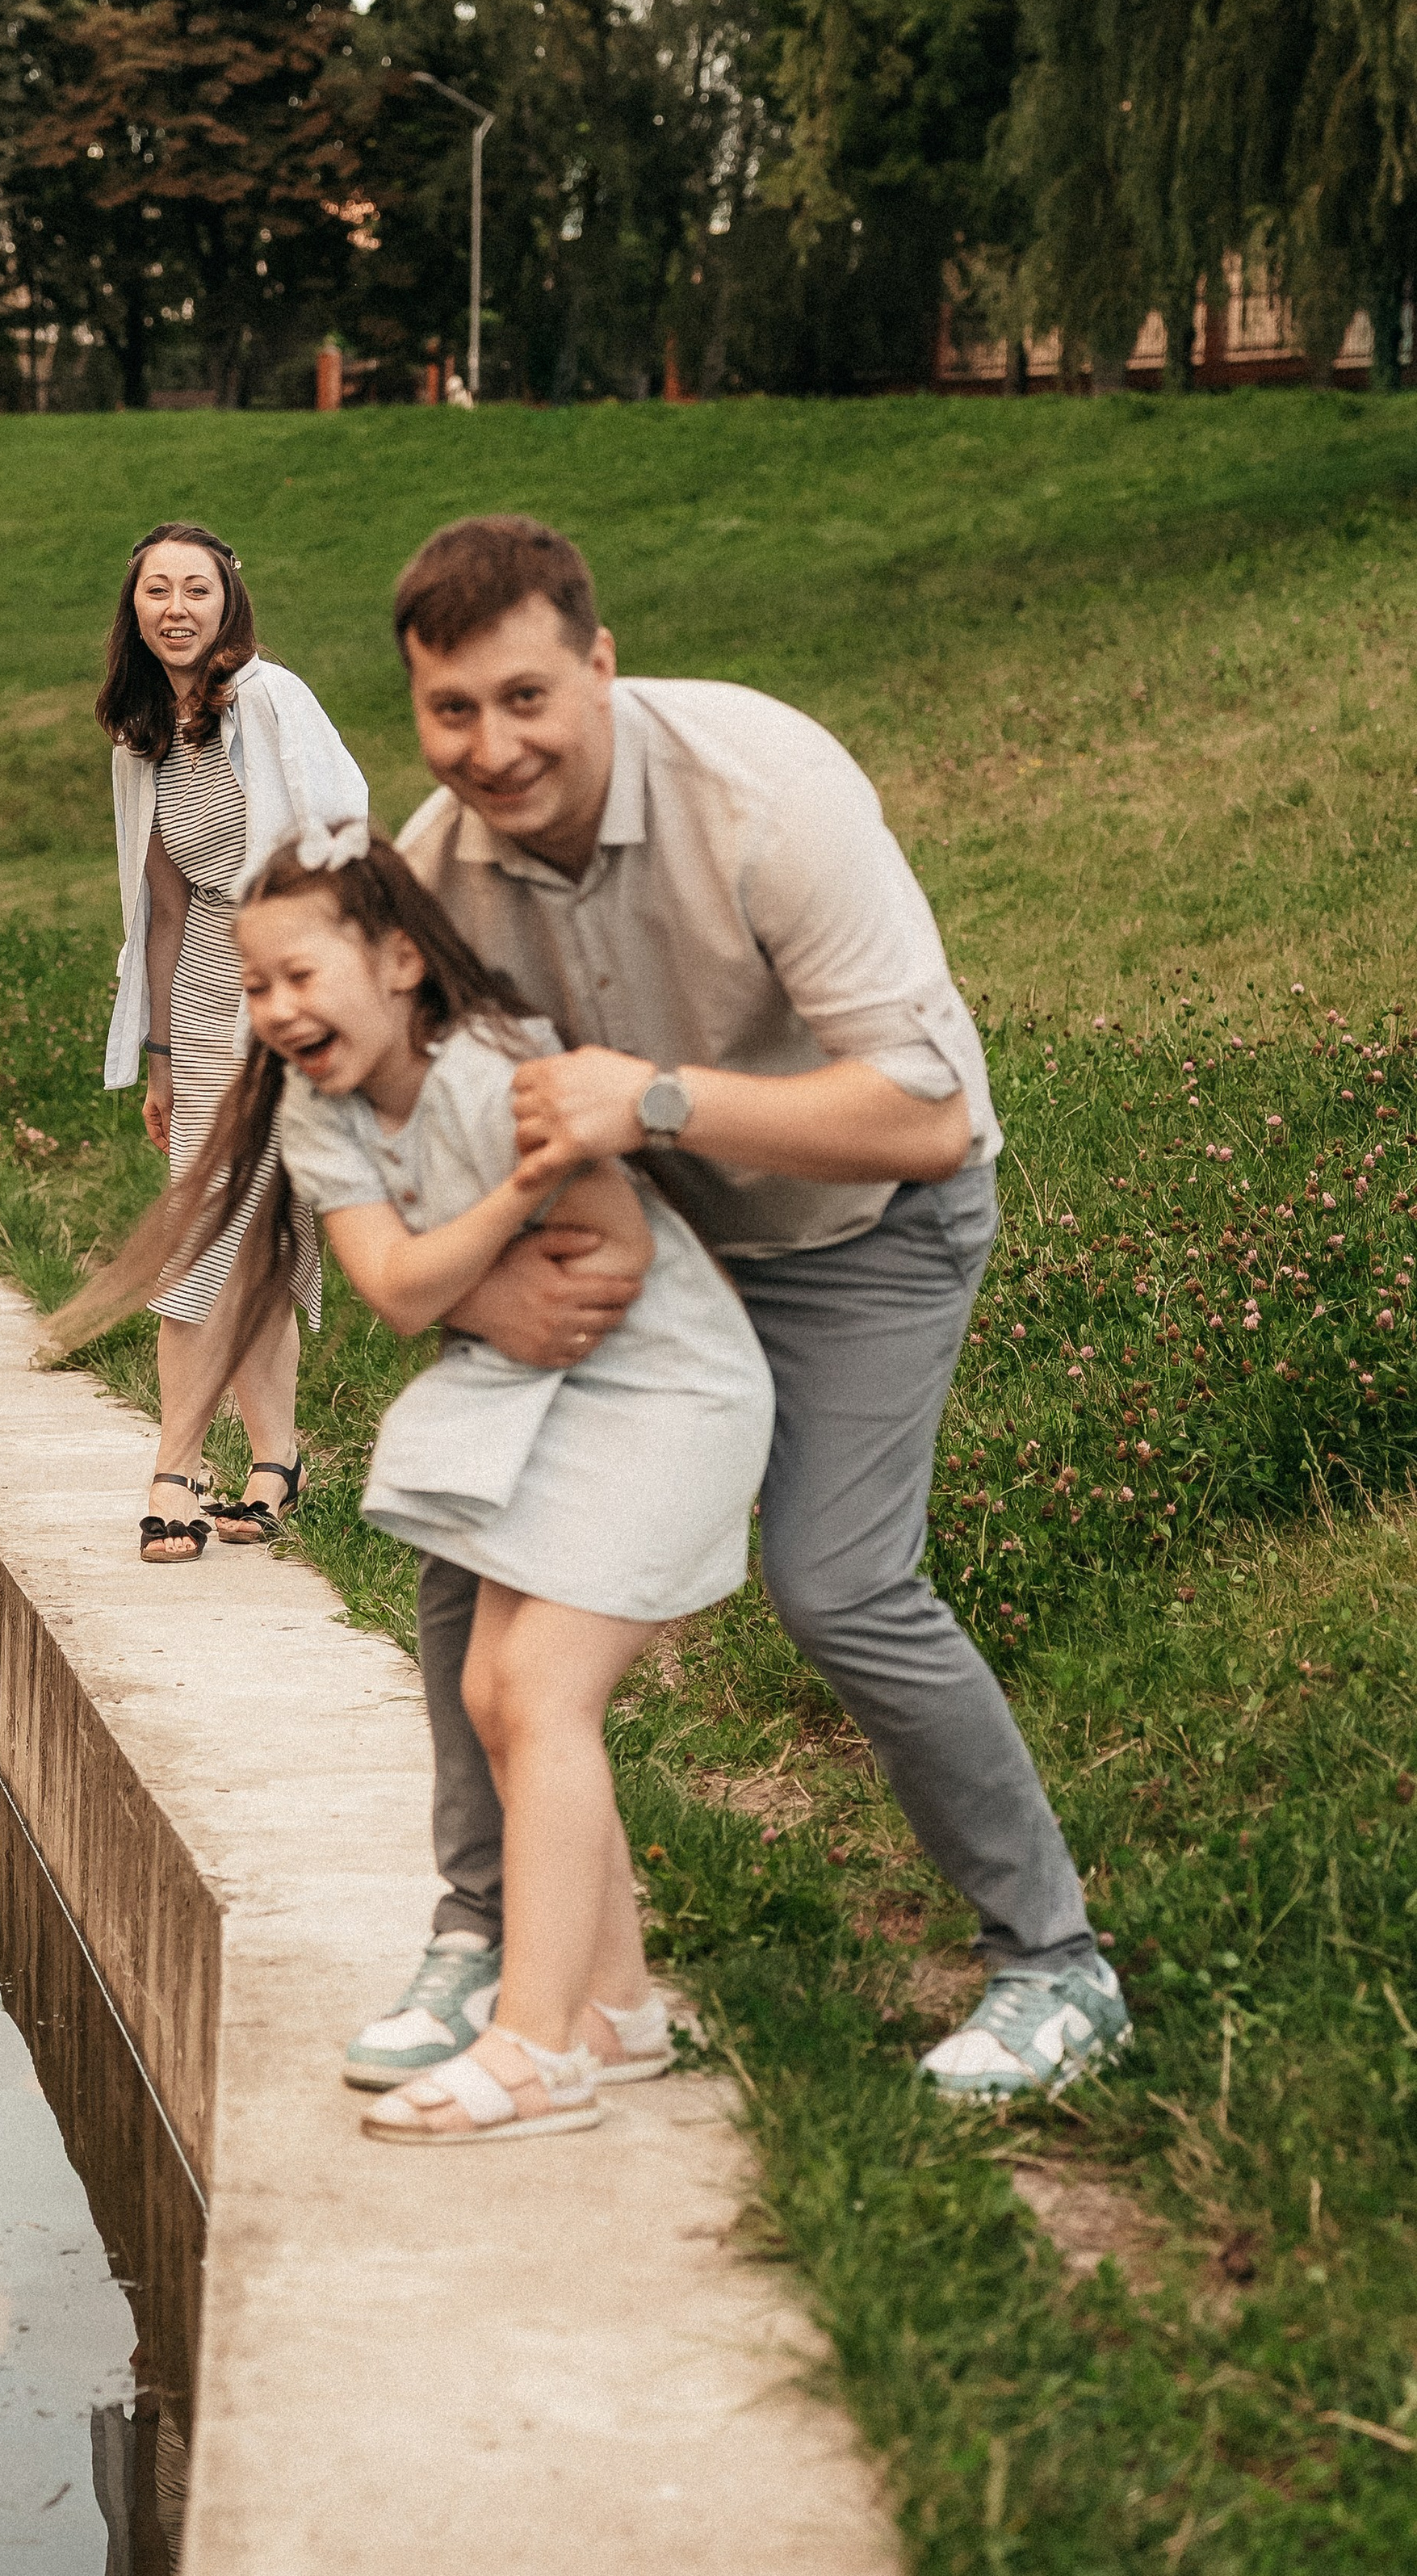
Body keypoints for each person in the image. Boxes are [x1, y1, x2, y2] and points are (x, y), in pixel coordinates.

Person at [340, 514, 1130, 2106]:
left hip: (863, 1224)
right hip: (647, 1250)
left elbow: (923, 1115)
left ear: (599, 666)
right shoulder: (429, 872)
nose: (490, 750)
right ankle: (492, 1938)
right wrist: (492, 1281)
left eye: (524, 699)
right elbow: (381, 1119)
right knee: (460, 1525)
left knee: (837, 1584)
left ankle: (1054, 1967)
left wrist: (662, 1104)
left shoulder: (766, 798)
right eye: (449, 711)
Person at [41, 826, 773, 2140]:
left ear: (396, 961)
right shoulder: (323, 1122)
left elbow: (605, 1262)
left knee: (536, 1691)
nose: (277, 1012)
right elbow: (392, 1290)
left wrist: (497, 1244)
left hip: (668, 1390)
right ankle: (617, 2009)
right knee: (497, 1692)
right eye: (255, 988)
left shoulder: (498, 1079)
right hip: (538, 1391)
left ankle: (533, 2049)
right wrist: (502, 1221)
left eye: (301, 977)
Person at [94, 522, 366, 1563]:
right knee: (215, 1232)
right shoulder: (144, 733)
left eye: (195, 589)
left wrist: (318, 1001)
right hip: (201, 1005)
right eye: (156, 590)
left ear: (227, 601)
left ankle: (185, 1467)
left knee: (237, 1236)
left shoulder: (271, 700)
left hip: (284, 1011)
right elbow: (155, 907)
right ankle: (263, 1457)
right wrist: (159, 1051)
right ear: (134, 610)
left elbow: (344, 828)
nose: (176, 608)